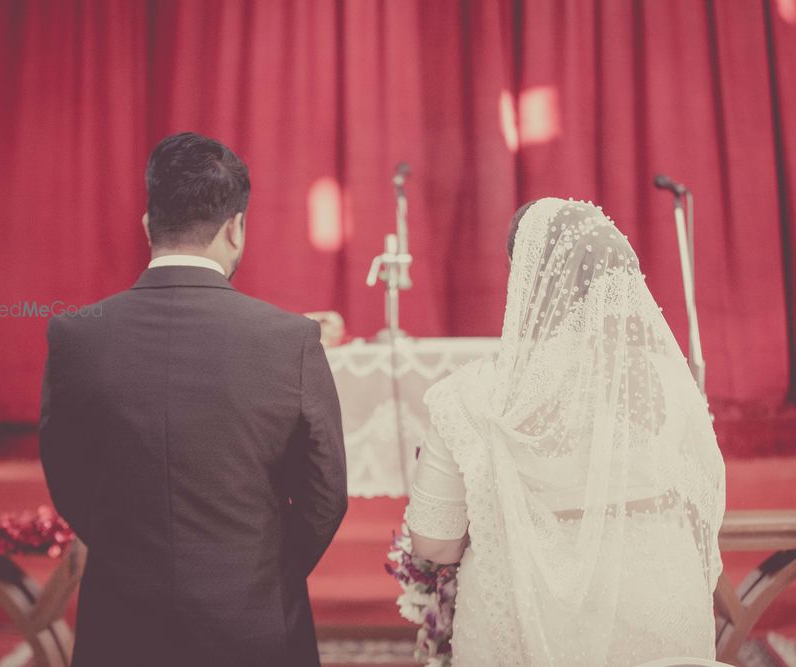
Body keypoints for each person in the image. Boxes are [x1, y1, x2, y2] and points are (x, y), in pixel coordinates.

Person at [39, 132, 348, 666]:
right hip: (252, 623)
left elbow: (66, 475)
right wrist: (262, 576)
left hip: (120, 620)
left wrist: (124, 549)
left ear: (147, 225)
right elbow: (326, 495)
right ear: (235, 227)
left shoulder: (77, 336)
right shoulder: (288, 339)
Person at [404, 197, 726, 665]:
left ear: (525, 277)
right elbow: (702, 502)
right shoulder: (667, 379)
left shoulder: (469, 394)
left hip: (527, 621)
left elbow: (434, 542)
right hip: (659, 608)